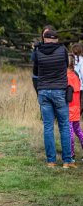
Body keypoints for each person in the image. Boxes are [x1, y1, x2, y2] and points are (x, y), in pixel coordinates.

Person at [33, 29, 74, 168]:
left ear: (44, 38)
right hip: (59, 91)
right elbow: (65, 66)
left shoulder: (37, 51)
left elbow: (36, 71)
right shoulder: (62, 50)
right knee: (64, 126)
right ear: (55, 39)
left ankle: (51, 161)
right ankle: (67, 161)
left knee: (48, 127)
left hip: (43, 91)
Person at [67, 55, 82, 164]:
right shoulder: (76, 74)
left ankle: (71, 155)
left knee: (69, 132)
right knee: (78, 130)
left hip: (69, 107)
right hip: (77, 106)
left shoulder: (66, 76)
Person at [31, 25, 55, 95]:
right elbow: (33, 58)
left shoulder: (56, 46)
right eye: (44, 33)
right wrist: (35, 49)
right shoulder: (39, 45)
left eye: (48, 33)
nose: (46, 35)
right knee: (42, 99)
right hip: (37, 76)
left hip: (50, 77)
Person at [71, 43, 83, 115]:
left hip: (69, 85)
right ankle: (76, 116)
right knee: (78, 103)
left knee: (71, 103)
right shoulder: (81, 60)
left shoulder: (69, 58)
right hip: (79, 86)